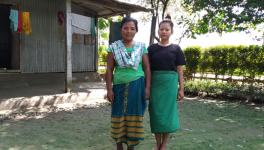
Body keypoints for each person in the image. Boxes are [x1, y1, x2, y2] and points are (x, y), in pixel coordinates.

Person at [105, 17, 151, 150]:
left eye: (132, 28)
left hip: (137, 86)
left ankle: (131, 146)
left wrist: (147, 88)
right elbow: (109, 69)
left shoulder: (141, 47)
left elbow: (147, 68)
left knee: (135, 114)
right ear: (121, 30)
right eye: (125, 28)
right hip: (118, 87)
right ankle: (119, 145)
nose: (128, 31)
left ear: (136, 31)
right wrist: (109, 89)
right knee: (118, 114)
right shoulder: (113, 48)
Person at [148, 15, 186, 150]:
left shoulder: (176, 49)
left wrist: (181, 89)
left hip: (170, 85)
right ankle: (157, 143)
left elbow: (180, 71)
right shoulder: (151, 49)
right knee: (155, 113)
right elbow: (147, 70)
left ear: (171, 32)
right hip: (155, 84)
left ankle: (163, 145)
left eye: (167, 30)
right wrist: (147, 87)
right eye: (161, 29)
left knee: (168, 114)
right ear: (158, 31)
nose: (164, 32)